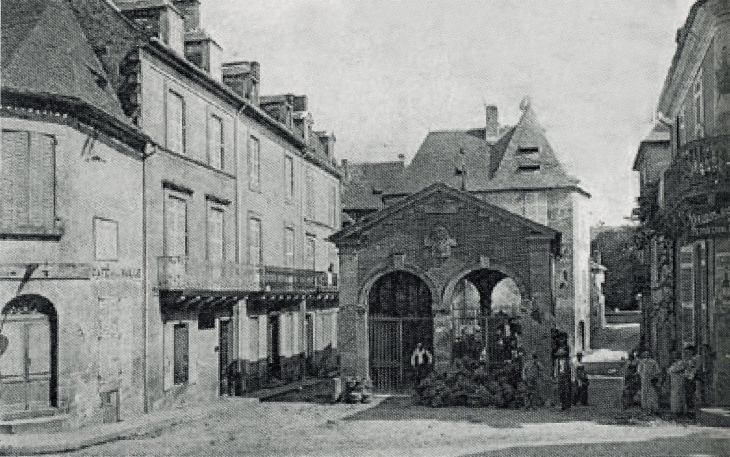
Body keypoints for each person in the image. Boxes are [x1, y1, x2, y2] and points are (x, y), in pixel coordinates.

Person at [668, 351, 686, 417]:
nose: (674, 356)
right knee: (674, 395)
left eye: (675, 355)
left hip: (679, 380)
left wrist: (672, 370)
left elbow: (676, 369)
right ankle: (674, 410)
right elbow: (669, 371)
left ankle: (680, 411)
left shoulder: (681, 362)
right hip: (673, 380)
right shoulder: (674, 363)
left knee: (679, 394)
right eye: (673, 355)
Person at [683, 345, 699, 415]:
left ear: (692, 351)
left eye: (688, 352)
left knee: (692, 393)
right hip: (687, 377)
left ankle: (694, 410)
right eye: (686, 352)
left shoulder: (696, 358)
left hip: (692, 378)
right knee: (687, 394)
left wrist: (692, 375)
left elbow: (696, 369)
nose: (687, 353)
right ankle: (689, 409)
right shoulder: (688, 359)